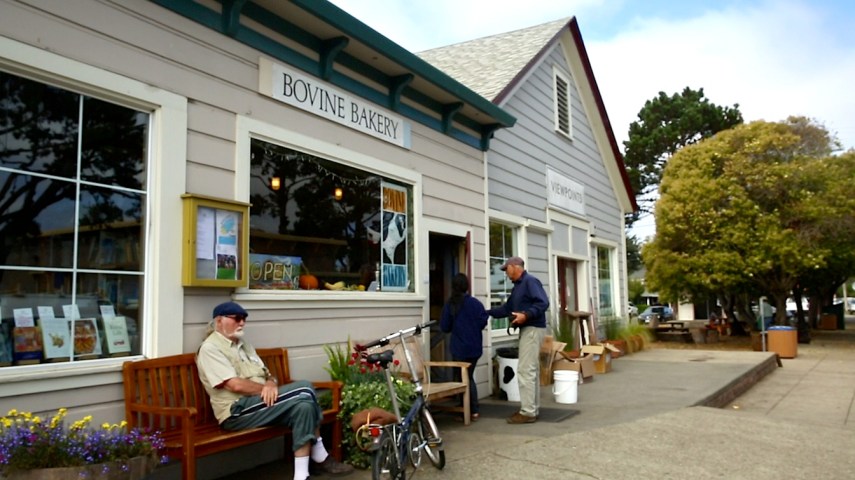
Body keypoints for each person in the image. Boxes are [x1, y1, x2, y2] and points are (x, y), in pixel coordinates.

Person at [196, 301, 353, 480]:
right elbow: (235, 385)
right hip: (236, 411)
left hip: (259, 403)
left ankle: (301, 476)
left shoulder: (244, 345)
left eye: (244, 319)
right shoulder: (210, 349)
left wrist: (271, 383)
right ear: (219, 321)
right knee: (305, 387)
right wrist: (265, 388)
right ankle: (320, 453)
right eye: (237, 319)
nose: (242, 323)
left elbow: (267, 374)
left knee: (304, 407)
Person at [486, 257, 549, 424]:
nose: (506, 273)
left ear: (515, 267)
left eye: (507, 269)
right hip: (527, 329)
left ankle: (528, 412)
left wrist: (526, 315)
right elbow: (507, 309)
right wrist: (486, 312)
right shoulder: (518, 288)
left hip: (533, 329)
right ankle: (531, 409)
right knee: (530, 370)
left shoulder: (530, 282)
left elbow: (543, 303)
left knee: (525, 370)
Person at [439, 273, 488, 421]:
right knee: (469, 376)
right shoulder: (476, 304)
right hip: (475, 348)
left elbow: (445, 327)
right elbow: (483, 322)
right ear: (467, 286)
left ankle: (468, 409)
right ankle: (472, 410)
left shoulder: (451, 304)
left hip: (459, 348)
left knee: (462, 379)